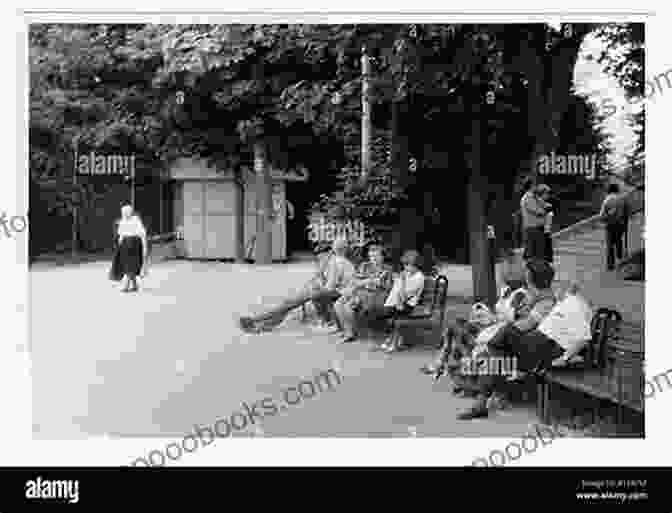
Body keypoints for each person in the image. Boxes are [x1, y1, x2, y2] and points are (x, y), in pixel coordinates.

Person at [455, 259, 557, 420]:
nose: (525, 278)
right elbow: (516, 318)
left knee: (494, 344)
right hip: (518, 346)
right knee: (490, 351)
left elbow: (522, 326)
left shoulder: (546, 302)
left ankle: (482, 394)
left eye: (527, 275)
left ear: (533, 278)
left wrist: (506, 321)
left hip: (531, 352)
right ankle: (482, 399)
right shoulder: (535, 297)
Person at [238, 237, 355, 333]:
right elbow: (325, 282)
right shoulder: (337, 262)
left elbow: (330, 287)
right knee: (289, 304)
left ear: (335, 249)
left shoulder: (337, 262)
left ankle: (256, 321)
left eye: (327, 252)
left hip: (335, 294)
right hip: (327, 292)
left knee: (290, 304)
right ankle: (260, 324)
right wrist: (318, 279)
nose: (321, 257)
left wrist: (316, 286)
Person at [333, 244, 393, 343]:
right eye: (371, 256)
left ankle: (349, 334)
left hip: (377, 296)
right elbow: (355, 281)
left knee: (348, 305)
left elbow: (387, 287)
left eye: (376, 256)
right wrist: (368, 281)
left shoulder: (387, 269)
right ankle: (347, 331)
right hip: (360, 292)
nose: (374, 259)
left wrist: (369, 283)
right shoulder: (364, 266)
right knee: (338, 304)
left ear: (382, 257)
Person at [369, 249, 425, 353]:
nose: (406, 268)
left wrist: (402, 281)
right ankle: (392, 339)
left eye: (409, 265)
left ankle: (394, 340)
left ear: (416, 265)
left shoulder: (419, 277)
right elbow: (395, 291)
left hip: (407, 305)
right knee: (374, 311)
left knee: (381, 313)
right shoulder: (407, 274)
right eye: (405, 265)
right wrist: (396, 280)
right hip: (397, 303)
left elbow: (404, 296)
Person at [113, 204, 147, 293]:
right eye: (123, 212)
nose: (124, 214)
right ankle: (135, 285)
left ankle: (126, 286)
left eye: (126, 212)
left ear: (130, 212)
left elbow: (142, 233)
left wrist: (144, 246)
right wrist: (119, 246)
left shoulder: (136, 220)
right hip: (125, 245)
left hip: (134, 244)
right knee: (128, 265)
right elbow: (121, 234)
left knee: (131, 265)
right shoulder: (123, 221)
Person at [600, 184, 628, 271]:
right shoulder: (622, 199)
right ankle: (620, 258)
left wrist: (606, 218)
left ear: (609, 190)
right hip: (620, 225)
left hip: (610, 226)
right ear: (617, 190)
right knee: (618, 241)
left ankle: (610, 265)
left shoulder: (607, 200)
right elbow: (627, 212)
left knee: (610, 245)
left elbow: (602, 216)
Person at [521, 183, 552, 262]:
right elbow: (538, 211)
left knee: (537, 250)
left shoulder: (534, 197)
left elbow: (544, 205)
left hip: (537, 227)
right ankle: (531, 269)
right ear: (530, 187)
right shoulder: (528, 198)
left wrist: (546, 206)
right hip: (532, 228)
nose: (536, 188)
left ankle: (535, 267)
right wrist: (546, 211)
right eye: (534, 186)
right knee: (532, 251)